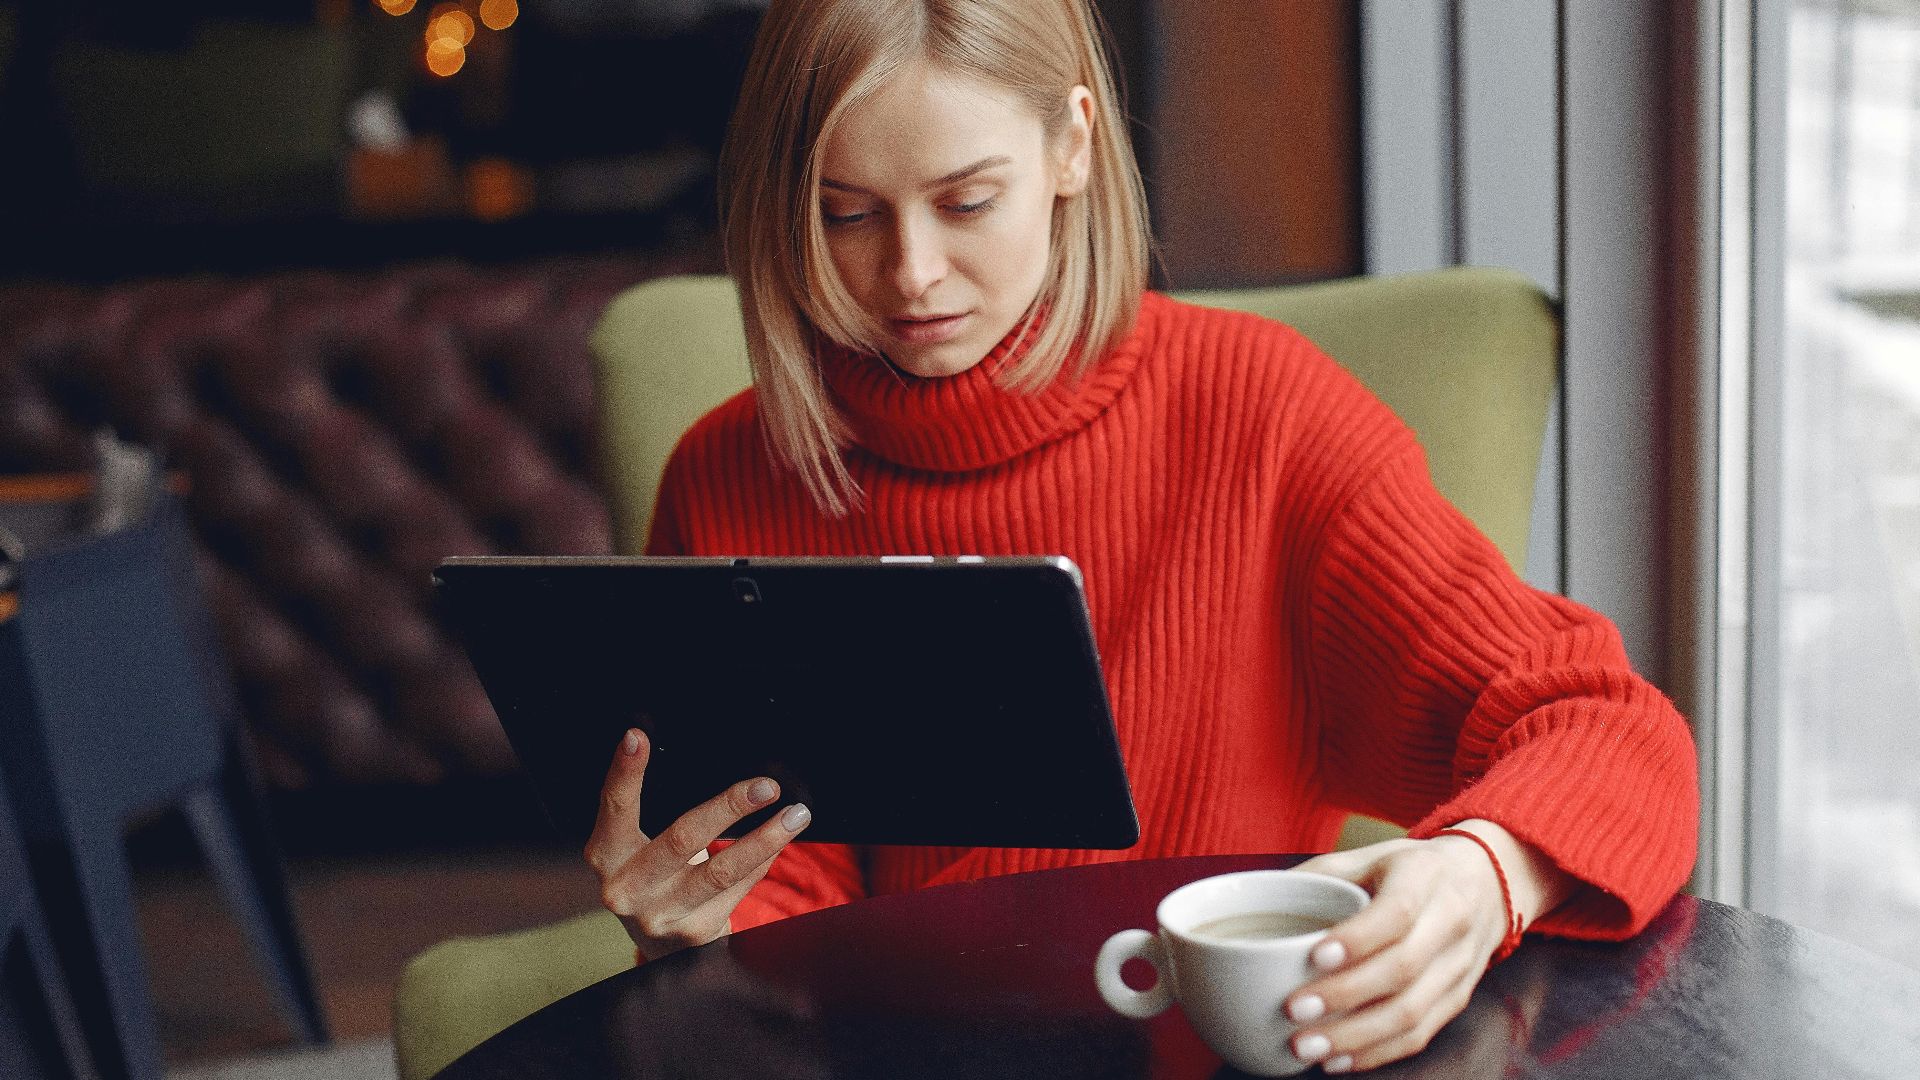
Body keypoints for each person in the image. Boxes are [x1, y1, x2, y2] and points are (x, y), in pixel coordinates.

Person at [582, 0, 1699, 1073]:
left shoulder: (1267, 419)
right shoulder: (730, 474)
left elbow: (1609, 729)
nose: (909, 274)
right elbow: (783, 896)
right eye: (846, 212)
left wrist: (1481, 874)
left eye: (966, 202)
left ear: (1070, 145)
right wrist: (695, 927)